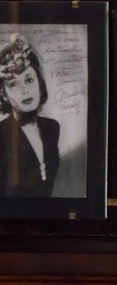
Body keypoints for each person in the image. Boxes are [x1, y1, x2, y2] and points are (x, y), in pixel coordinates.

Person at [0, 35, 60, 197]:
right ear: (4, 95)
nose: (24, 90)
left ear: (39, 85)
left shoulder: (52, 128)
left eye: (29, 80)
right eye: (13, 84)